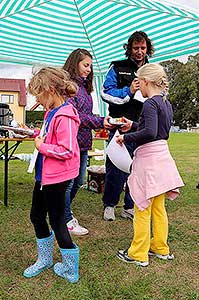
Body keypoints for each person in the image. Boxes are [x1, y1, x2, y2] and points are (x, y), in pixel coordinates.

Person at [116, 63, 184, 266]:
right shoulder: (166, 103)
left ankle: (138, 253)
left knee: (142, 208)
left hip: (149, 161)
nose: (139, 88)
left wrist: (125, 138)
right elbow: (158, 131)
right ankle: (160, 248)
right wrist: (133, 125)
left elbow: (150, 133)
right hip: (163, 158)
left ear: (145, 82)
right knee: (158, 208)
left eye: (139, 83)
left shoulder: (149, 104)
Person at [23, 67, 80, 283]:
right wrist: (36, 134)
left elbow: (67, 150)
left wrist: (42, 146)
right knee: (36, 216)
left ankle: (70, 268)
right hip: (44, 176)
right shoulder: (51, 113)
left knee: (57, 221)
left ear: (49, 89)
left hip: (57, 178)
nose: (37, 99)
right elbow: (50, 137)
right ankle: (45, 259)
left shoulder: (65, 115)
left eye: (38, 94)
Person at [101, 31, 155, 221]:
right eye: (135, 48)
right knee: (115, 167)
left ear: (147, 48)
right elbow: (106, 93)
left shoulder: (153, 69)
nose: (139, 52)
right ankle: (109, 205)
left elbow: (160, 95)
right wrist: (129, 90)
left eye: (143, 48)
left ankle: (130, 206)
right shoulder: (117, 67)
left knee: (139, 167)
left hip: (142, 127)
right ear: (129, 48)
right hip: (118, 126)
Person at [63, 48, 112, 235]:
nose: (89, 70)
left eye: (90, 66)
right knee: (69, 183)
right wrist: (100, 121)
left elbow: (86, 115)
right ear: (74, 64)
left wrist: (100, 121)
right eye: (85, 65)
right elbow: (75, 116)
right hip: (70, 142)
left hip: (83, 141)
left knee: (78, 182)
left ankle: (62, 211)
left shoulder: (84, 87)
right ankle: (65, 218)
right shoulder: (67, 87)